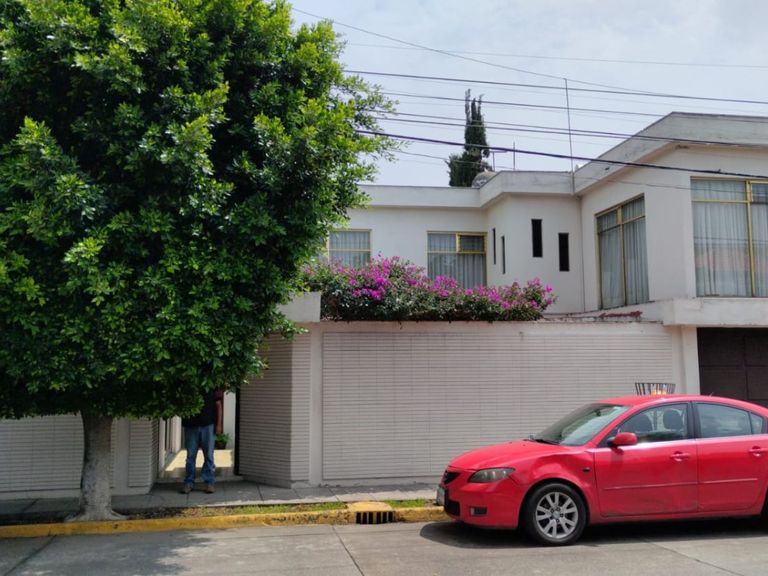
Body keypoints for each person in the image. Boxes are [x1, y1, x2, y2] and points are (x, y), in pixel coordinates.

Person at [181, 389, 224, 494]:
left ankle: (209, 482)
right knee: (190, 456)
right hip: (191, 425)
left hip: (208, 424)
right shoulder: (188, 385)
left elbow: (218, 405)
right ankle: (189, 482)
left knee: (209, 455)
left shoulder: (213, 385)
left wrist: (219, 425)